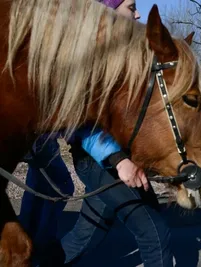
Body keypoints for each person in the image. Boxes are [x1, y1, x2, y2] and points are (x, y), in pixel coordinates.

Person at [33, 1, 173, 266]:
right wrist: (119, 160)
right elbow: (77, 121)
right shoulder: (84, 55)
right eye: (132, 6)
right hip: (98, 160)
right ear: (108, 7)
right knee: (155, 234)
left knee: (84, 238)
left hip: (118, 160)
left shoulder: (117, 54)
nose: (138, 13)